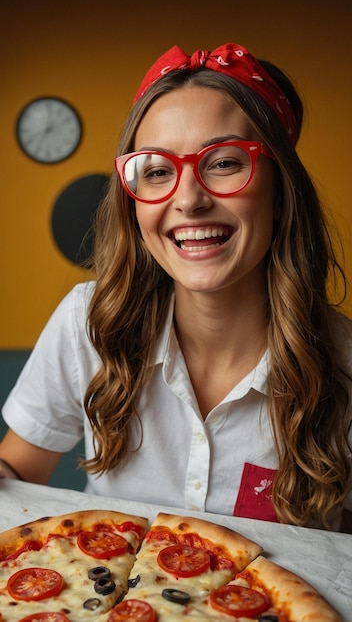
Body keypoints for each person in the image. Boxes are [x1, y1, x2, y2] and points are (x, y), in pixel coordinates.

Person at [1, 43, 351, 533]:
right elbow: (15, 473)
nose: (188, 200)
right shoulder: (87, 323)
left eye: (224, 162)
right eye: (158, 170)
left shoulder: (344, 365)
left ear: (280, 191)